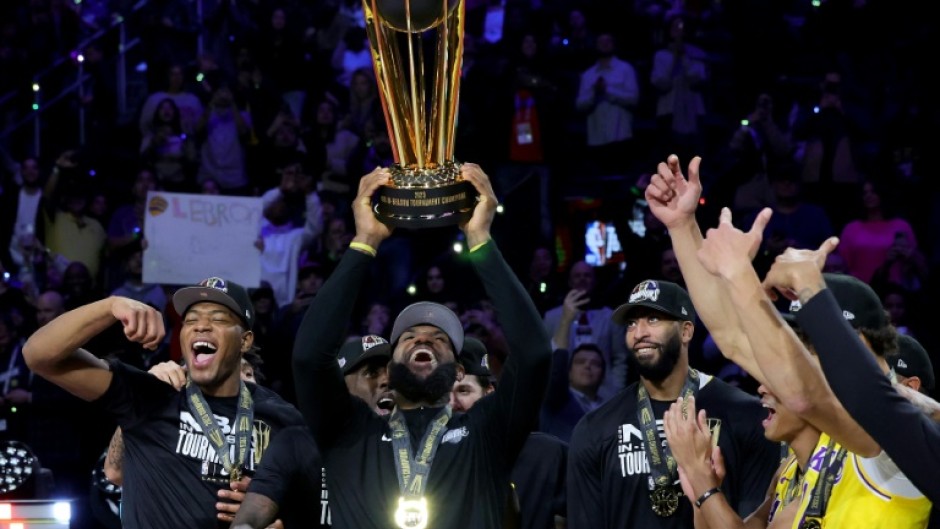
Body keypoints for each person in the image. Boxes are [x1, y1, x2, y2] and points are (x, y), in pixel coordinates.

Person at [645, 155, 931, 527]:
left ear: (851, 343)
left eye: (805, 342)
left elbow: (803, 394)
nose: (788, 357)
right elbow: (732, 337)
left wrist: (738, 273)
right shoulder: (821, 446)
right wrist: (682, 226)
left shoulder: (895, 433)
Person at [292, 164, 552, 528]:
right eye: (409, 337)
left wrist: (480, 239)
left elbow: (535, 353)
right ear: (388, 366)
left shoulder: (487, 430)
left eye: (439, 338)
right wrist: (365, 241)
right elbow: (308, 357)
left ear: (460, 371)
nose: (424, 338)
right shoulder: (350, 429)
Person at [21, 277, 306, 527]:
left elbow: (321, 503)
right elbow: (39, 355)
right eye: (191, 320)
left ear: (245, 341)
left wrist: (279, 516)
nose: (201, 327)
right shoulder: (152, 395)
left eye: (218, 319)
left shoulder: (282, 417)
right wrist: (110, 306)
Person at [566, 278, 779, 528]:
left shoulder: (746, 415)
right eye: (632, 323)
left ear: (686, 331)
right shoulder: (595, 429)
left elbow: (757, 520)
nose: (639, 333)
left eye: (653, 320)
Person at [758, 236, 940, 503]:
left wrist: (808, 285)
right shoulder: (814, 444)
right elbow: (734, 342)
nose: (799, 356)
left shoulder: (888, 430)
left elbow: (872, 396)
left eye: (812, 341)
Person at [231, 335, 394, 529]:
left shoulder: (412, 451)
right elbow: (250, 517)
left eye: (392, 374)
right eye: (372, 373)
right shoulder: (297, 443)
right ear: (339, 388)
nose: (386, 381)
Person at [450, 337, 567, 529]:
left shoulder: (545, 455)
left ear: (488, 394)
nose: (453, 403)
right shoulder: (426, 460)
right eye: (444, 394)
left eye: (463, 391)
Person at [543, 261, 628, 401]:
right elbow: (546, 357)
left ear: (594, 281)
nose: (582, 279)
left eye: (587, 275)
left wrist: (616, 391)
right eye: (577, 276)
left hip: (604, 394)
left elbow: (620, 358)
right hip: (562, 394)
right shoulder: (551, 318)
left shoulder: (609, 317)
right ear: (570, 281)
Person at [575, 32, 639, 176]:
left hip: (621, 137)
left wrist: (607, 91)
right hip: (596, 139)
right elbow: (579, 105)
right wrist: (594, 93)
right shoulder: (588, 75)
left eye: (608, 41)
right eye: (601, 42)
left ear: (614, 44)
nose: (604, 44)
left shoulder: (625, 69)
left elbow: (633, 99)